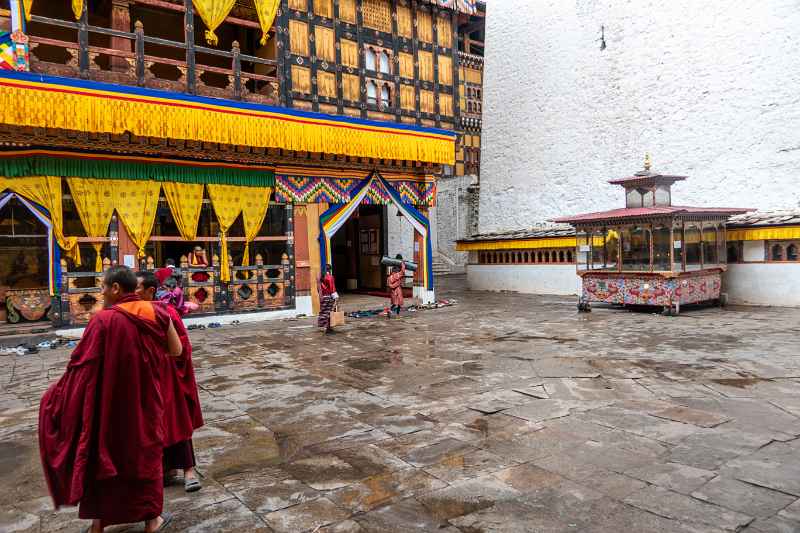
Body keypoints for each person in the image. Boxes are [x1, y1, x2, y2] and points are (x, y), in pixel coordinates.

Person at [39, 266, 183, 533]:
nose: (101, 292)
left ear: (116, 288)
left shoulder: (102, 321)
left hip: (108, 407)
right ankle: (152, 521)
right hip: (146, 402)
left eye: (103, 286)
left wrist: (56, 396)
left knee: (104, 454)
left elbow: (80, 368)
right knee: (145, 455)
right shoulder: (158, 312)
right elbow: (176, 350)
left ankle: (99, 524)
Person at [137, 271, 204, 493]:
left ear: (150, 291)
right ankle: (166, 469)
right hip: (144, 376)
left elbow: (182, 345)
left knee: (176, 421)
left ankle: (189, 470)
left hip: (167, 375)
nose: (134, 292)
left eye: (138, 288)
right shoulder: (130, 313)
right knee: (151, 425)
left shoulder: (165, 312)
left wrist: (166, 359)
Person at [317, 264, 338, 333]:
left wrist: (321, 296)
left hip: (323, 297)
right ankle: (327, 327)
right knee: (329, 312)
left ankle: (325, 326)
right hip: (329, 297)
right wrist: (336, 298)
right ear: (330, 269)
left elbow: (319, 288)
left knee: (323, 312)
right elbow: (332, 288)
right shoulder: (330, 277)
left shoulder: (320, 277)